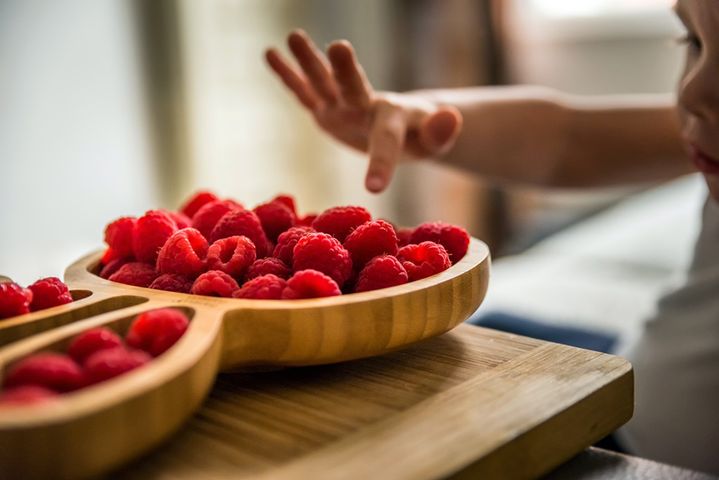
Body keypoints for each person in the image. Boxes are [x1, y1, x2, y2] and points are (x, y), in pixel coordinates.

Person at [265, 0, 719, 474]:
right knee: (476, 336)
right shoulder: (707, 126)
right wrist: (424, 115)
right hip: (634, 365)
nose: (693, 92)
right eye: (693, 42)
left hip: (631, 438)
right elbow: (567, 140)